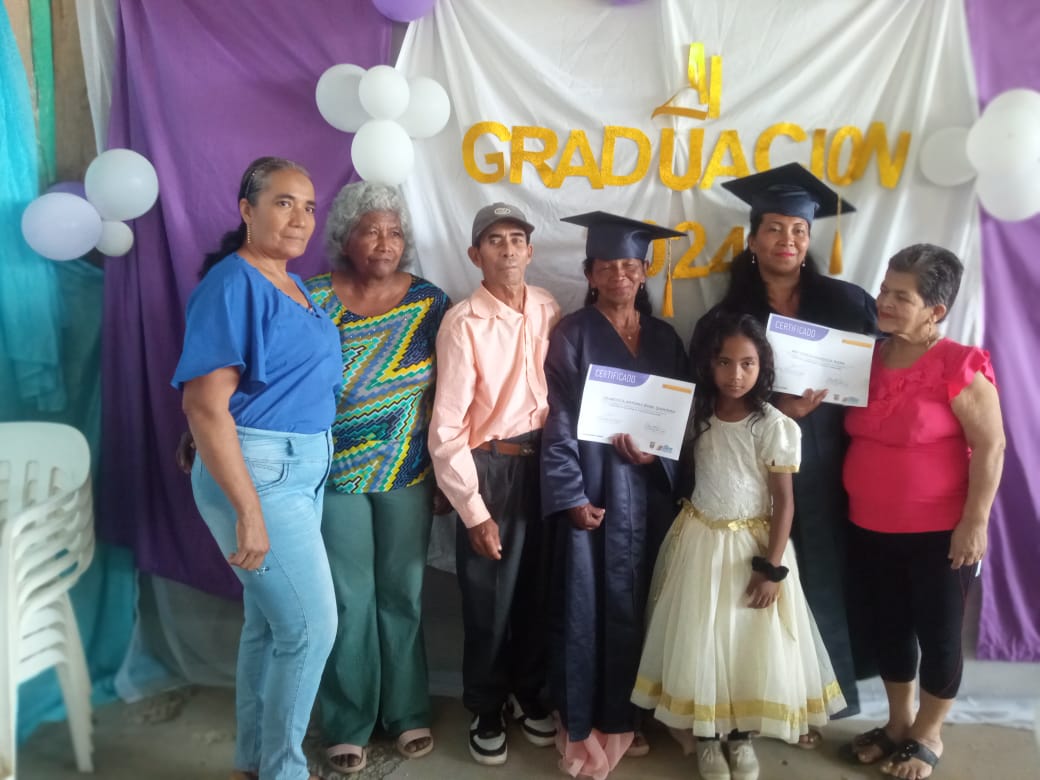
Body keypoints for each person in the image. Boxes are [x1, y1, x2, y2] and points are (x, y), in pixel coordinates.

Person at [172, 156, 341, 780]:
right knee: (311, 629)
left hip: (300, 469)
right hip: (263, 474)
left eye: (308, 206)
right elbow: (203, 404)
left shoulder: (293, 284)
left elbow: (244, 390)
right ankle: (283, 772)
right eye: (283, 202)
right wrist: (247, 510)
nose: (300, 218)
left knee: (270, 628)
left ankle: (254, 762)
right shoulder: (233, 284)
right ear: (247, 210)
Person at [691, 163, 877, 725]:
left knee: (824, 574)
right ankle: (763, 701)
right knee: (755, 581)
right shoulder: (726, 318)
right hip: (753, 472)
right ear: (752, 240)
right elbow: (708, 401)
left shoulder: (847, 305)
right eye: (773, 228)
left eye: (798, 230)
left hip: (833, 463)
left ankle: (825, 701)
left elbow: (878, 377)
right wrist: (776, 408)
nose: (787, 240)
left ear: (810, 239)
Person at [632, 312, 847, 780]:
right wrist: (647, 453)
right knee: (703, 638)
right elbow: (666, 455)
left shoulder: (773, 425)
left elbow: (784, 502)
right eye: (725, 362)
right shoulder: (697, 415)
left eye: (747, 363)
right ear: (709, 364)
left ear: (762, 365)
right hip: (699, 542)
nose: (735, 375)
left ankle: (742, 735)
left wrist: (771, 568)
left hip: (756, 548)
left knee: (748, 640)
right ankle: (708, 736)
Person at [841, 244, 1004, 780]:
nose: (884, 302)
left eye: (901, 297)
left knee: (938, 634)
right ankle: (898, 723)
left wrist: (975, 523)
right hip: (868, 525)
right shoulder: (865, 358)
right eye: (884, 290)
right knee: (889, 628)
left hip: (940, 532)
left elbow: (992, 446)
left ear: (936, 310)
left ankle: (929, 733)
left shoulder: (959, 364)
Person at [307, 182, 450, 773]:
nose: (384, 242)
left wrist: (447, 473)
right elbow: (280, 373)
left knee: (403, 593)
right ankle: (348, 721)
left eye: (394, 232)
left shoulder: (429, 302)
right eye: (370, 231)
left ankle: (407, 710)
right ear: (346, 238)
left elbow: (448, 392)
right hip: (332, 470)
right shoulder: (313, 296)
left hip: (407, 470)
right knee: (348, 598)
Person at [541, 212, 688, 779]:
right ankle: (594, 715)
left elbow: (685, 415)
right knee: (588, 607)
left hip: (650, 496)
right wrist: (570, 495)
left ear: (645, 272)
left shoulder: (665, 338)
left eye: (630, 266)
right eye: (607, 267)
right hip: (594, 490)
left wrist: (659, 455)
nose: (620, 276)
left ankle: (638, 714)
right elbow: (556, 419)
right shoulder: (572, 334)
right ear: (590, 274)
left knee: (649, 602)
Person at [428, 203, 561, 766]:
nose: (508, 250)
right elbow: (446, 430)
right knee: (489, 598)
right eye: (495, 240)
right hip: (491, 469)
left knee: (535, 591)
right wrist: (475, 510)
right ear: (475, 254)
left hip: (544, 465)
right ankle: (485, 706)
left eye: (516, 239)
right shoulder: (463, 324)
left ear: (530, 251)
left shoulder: (548, 307)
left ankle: (529, 691)